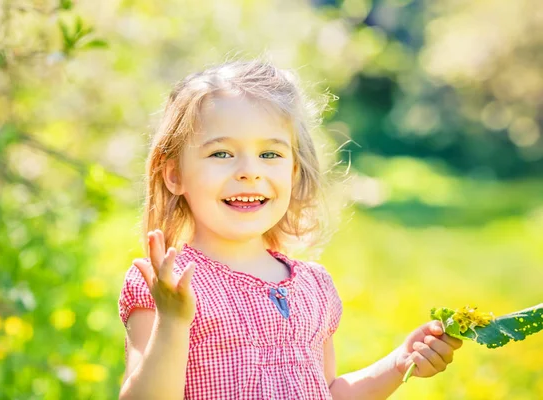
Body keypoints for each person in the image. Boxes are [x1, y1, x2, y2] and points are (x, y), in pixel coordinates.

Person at [117, 60, 462, 400]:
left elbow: (328, 392)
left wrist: (399, 362)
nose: (249, 172)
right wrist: (173, 323)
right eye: (221, 153)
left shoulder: (314, 286)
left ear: (294, 172)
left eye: (269, 154)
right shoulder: (166, 286)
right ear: (174, 174)